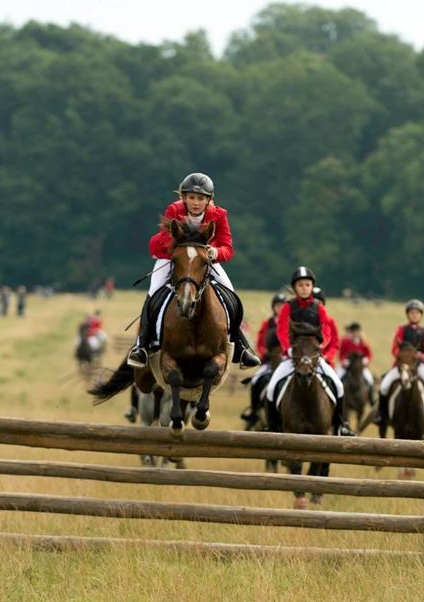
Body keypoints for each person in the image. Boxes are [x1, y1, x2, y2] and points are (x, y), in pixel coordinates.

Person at [126, 173, 260, 370]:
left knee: (230, 292)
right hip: (174, 256)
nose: (195, 203)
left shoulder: (219, 214)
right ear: (184, 197)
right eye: (191, 197)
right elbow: (164, 239)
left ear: (208, 200)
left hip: (204, 258)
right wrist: (181, 248)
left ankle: (240, 346)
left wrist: (215, 251)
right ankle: (142, 346)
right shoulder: (174, 209)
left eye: (200, 198)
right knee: (154, 292)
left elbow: (227, 247)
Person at [264, 266, 353, 436]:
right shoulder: (288, 307)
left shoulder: (319, 308)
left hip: (314, 357)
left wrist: (321, 347)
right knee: (271, 387)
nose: (304, 288)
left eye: (307, 285)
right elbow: (282, 330)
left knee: (339, 386)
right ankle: (272, 426)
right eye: (300, 285)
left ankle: (342, 424)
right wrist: (287, 349)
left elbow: (326, 330)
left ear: (311, 287)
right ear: (295, 288)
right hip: (293, 357)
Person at [375, 299, 424, 432]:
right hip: (402, 365)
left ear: (420, 315)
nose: (414, 315)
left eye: (417, 313)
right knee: (384, 386)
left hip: (419, 366)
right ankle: (382, 415)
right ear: (408, 314)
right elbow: (394, 349)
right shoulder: (401, 330)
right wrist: (402, 357)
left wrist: (421, 357)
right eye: (412, 312)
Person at [240, 292, 289, 426]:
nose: (280, 308)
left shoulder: (291, 323)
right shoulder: (267, 323)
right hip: (269, 362)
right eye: (278, 306)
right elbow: (261, 342)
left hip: (287, 361)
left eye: (283, 306)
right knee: (255, 381)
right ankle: (254, 412)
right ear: (273, 307)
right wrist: (264, 352)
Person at [336, 322, 374, 389]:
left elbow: (369, 355)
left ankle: (371, 398)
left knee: (370, 380)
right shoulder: (345, 342)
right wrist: (344, 361)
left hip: (360, 367)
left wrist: (366, 360)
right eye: (353, 332)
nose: (355, 334)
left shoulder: (364, 343)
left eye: (356, 332)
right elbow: (341, 354)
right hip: (346, 367)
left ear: (359, 333)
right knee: (338, 380)